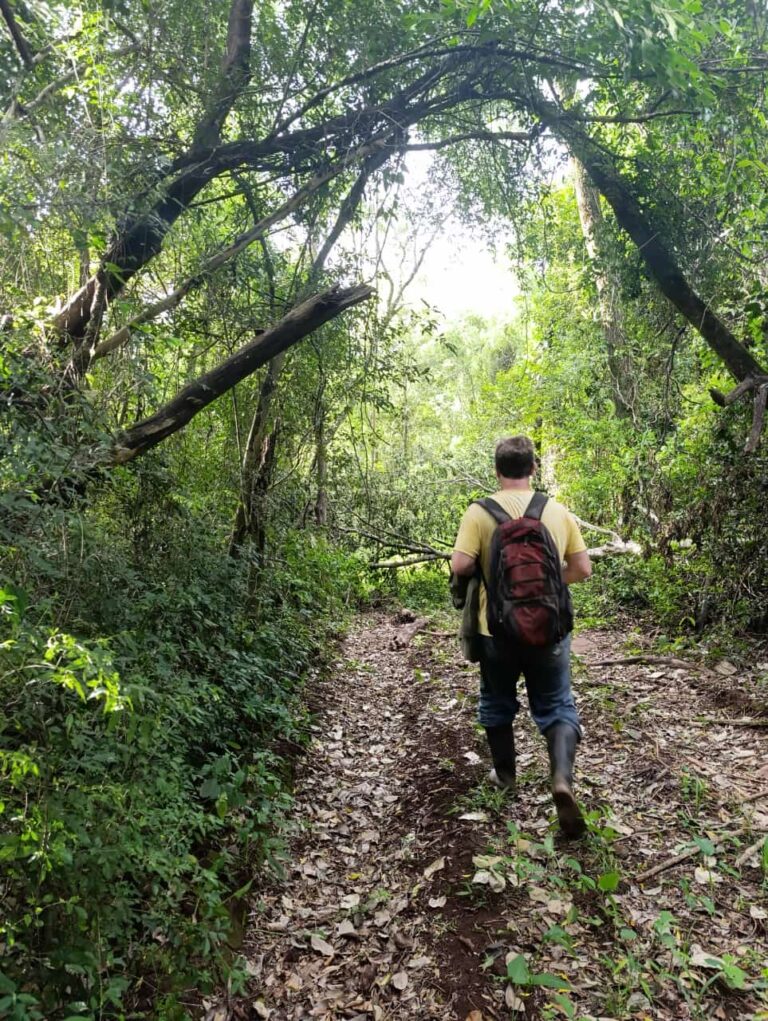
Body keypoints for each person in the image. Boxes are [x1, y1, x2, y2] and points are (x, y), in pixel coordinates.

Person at [451, 435, 592, 837]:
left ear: (496, 471)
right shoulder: (556, 511)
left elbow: (461, 565)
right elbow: (582, 569)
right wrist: (547, 586)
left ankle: (505, 777)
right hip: (550, 630)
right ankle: (561, 780)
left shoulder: (479, 513)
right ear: (533, 469)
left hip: (496, 631)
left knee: (497, 701)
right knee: (557, 704)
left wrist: (502, 586)